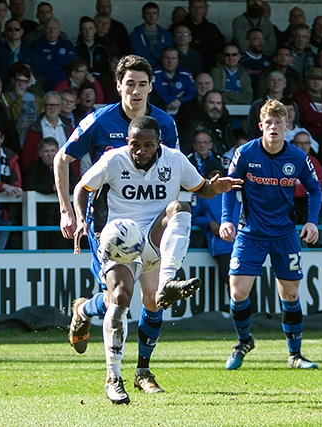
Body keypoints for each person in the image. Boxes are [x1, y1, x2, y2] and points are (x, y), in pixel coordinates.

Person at [71, 115, 242, 404]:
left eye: (147, 145)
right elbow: (81, 189)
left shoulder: (175, 160)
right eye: (135, 145)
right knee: (120, 298)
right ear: (127, 142)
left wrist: (217, 187)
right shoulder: (113, 160)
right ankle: (113, 377)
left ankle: (144, 368)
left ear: (158, 143)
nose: (140, 151)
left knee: (181, 207)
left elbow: (203, 188)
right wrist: (79, 221)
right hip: (119, 241)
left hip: (153, 238)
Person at [56, 56, 179, 348]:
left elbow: (174, 171)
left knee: (153, 298)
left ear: (151, 87)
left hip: (149, 220)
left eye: (142, 85)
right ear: (118, 86)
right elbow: (62, 158)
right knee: (117, 298)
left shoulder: (165, 123)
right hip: (107, 224)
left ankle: (143, 372)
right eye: (129, 84)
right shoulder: (100, 120)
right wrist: (66, 211)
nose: (135, 91)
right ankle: (84, 310)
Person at [219, 98, 322, 370]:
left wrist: (311, 222)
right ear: (260, 126)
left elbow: (315, 189)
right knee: (238, 292)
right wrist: (226, 220)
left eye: (279, 123)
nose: (273, 127)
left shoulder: (298, 157)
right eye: (269, 123)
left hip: (284, 233)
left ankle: (295, 355)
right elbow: (230, 187)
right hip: (250, 232)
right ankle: (244, 342)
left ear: (287, 126)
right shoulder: (245, 153)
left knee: (290, 295)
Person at [191, 161, 239, 313]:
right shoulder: (201, 196)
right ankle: (236, 314)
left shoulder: (231, 192)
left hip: (240, 243)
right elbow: (193, 217)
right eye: (212, 175)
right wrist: (210, 223)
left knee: (243, 279)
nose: (216, 178)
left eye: (219, 174)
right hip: (221, 245)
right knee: (229, 280)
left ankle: (250, 315)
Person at [23, 137, 74, 249]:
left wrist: (61, 187)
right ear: (40, 153)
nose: (49, 154)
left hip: (61, 216)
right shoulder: (34, 167)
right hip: (41, 216)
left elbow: (74, 185)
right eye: (46, 151)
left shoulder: (65, 166)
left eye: (52, 151)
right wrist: (51, 188)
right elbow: (29, 186)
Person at [30, 18, 78, 92]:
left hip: (65, 86)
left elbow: (73, 63)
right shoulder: (35, 45)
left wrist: (52, 57)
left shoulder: (67, 44)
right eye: (49, 28)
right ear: (44, 30)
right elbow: (38, 66)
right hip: (44, 85)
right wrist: (63, 57)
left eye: (55, 28)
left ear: (59, 31)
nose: (52, 32)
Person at [293, 67, 322, 137]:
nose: (316, 81)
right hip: (306, 138)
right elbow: (308, 118)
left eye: (320, 79)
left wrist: (317, 121)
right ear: (307, 80)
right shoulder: (299, 97)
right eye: (313, 78)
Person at [181, 0, 225, 72]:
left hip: (208, 69)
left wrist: (200, 42)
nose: (197, 11)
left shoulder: (212, 28)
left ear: (206, 9)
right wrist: (207, 42)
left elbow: (220, 46)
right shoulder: (180, 27)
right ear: (189, 8)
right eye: (194, 8)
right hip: (185, 68)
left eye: (201, 8)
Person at [129, 2, 173, 70]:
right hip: (143, 69)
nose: (151, 16)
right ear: (143, 16)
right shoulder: (135, 35)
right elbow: (138, 56)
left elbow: (169, 53)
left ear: (158, 15)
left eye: (154, 13)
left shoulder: (165, 34)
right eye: (148, 13)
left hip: (163, 70)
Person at [152, 47, 196, 113]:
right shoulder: (154, 74)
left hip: (182, 113)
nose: (170, 61)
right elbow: (154, 97)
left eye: (173, 58)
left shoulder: (186, 75)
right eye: (167, 58)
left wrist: (180, 100)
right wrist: (175, 97)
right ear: (162, 59)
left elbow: (192, 94)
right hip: (159, 112)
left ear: (178, 60)